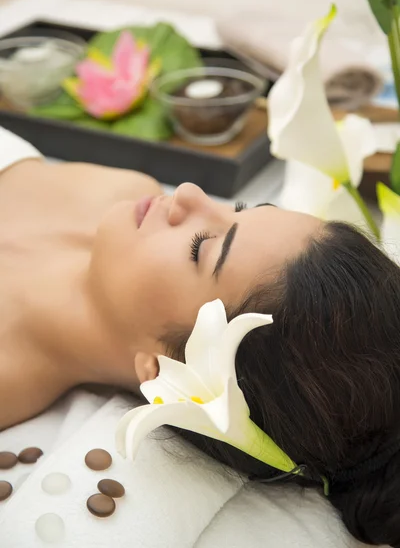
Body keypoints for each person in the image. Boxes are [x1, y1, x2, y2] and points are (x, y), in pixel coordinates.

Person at [0, 127, 399, 547]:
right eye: (240, 209)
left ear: (162, 370)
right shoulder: (122, 191)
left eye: (200, 248)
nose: (189, 193)